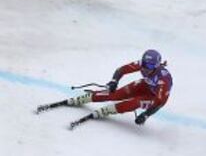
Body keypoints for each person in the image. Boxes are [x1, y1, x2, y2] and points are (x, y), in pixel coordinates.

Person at [37, 49, 173, 127]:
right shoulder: (143, 64)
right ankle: (86, 98)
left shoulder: (164, 79)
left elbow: (160, 102)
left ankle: (107, 111)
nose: (144, 68)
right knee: (114, 95)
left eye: (149, 67)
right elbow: (122, 70)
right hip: (146, 85)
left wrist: (146, 115)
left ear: (156, 66)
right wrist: (113, 81)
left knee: (134, 103)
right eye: (144, 64)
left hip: (154, 97)